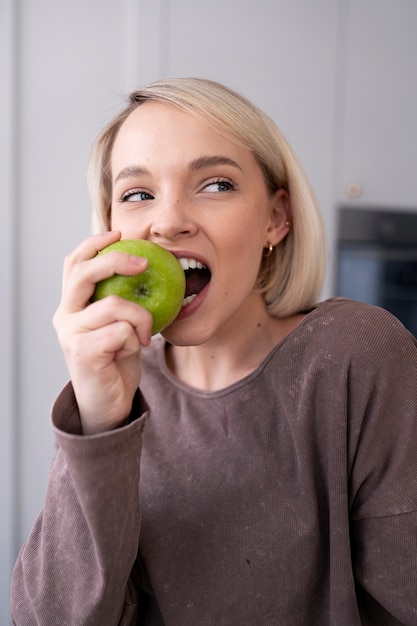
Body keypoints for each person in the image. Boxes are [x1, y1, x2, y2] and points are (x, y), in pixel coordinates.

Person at [10, 77, 417, 625]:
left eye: (216, 184)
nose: (168, 220)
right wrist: (98, 421)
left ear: (276, 218)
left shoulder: (356, 355)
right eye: (137, 194)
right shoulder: (117, 398)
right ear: (110, 228)